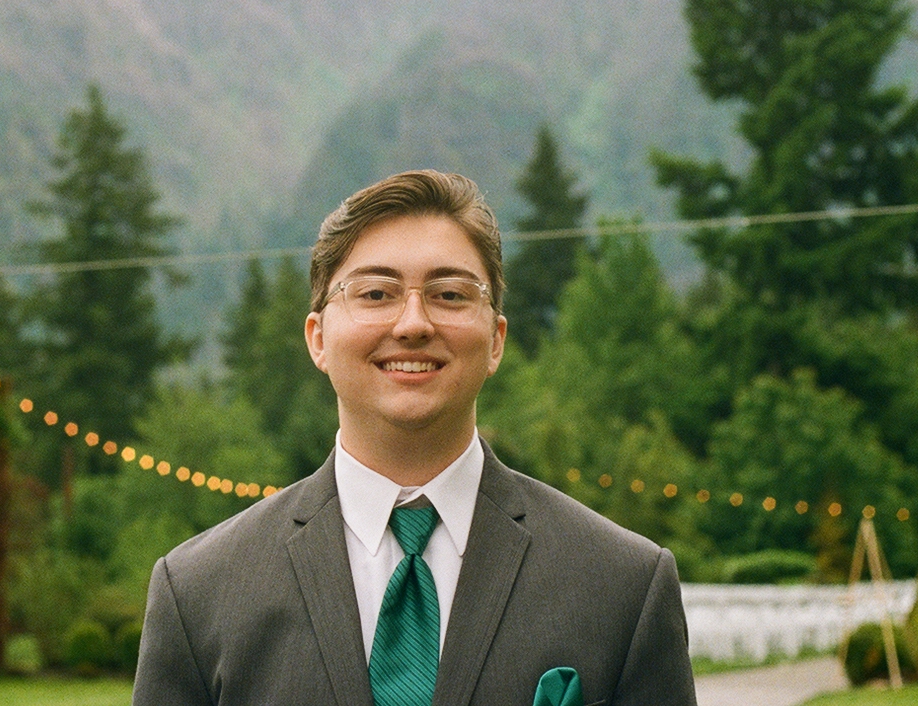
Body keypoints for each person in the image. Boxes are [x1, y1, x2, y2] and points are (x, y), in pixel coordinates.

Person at [133, 170, 696, 706]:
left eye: (449, 294)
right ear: (318, 337)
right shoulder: (198, 592)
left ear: (496, 339)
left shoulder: (623, 584)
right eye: (376, 294)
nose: (413, 324)